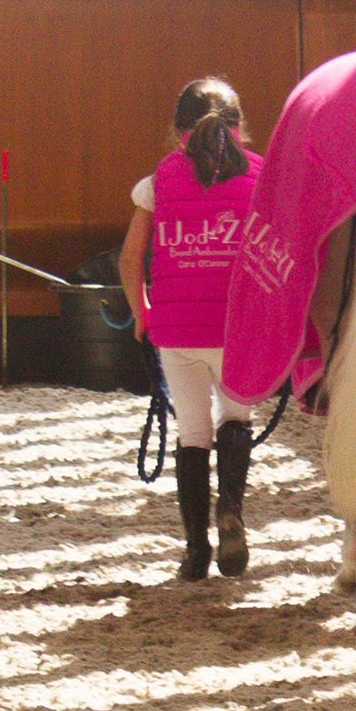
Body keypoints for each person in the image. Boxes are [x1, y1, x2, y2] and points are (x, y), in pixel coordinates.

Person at [119, 78, 264, 581]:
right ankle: (231, 510)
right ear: (239, 127)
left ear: (177, 129)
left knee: (192, 433)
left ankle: (196, 549)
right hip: (236, 328)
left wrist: (142, 312)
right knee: (236, 418)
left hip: (177, 332)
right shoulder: (263, 179)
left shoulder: (156, 184)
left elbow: (130, 259)